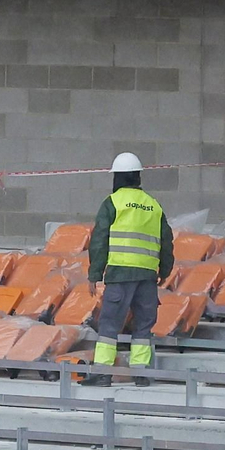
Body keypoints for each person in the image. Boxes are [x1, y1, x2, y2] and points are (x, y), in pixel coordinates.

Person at [83, 152, 175, 387]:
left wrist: (94, 274)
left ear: (117, 177)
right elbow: (166, 240)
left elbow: (99, 239)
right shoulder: (153, 205)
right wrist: (165, 270)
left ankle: (103, 372)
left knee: (110, 323)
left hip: (120, 274)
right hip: (147, 276)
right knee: (143, 325)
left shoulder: (112, 203)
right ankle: (141, 373)